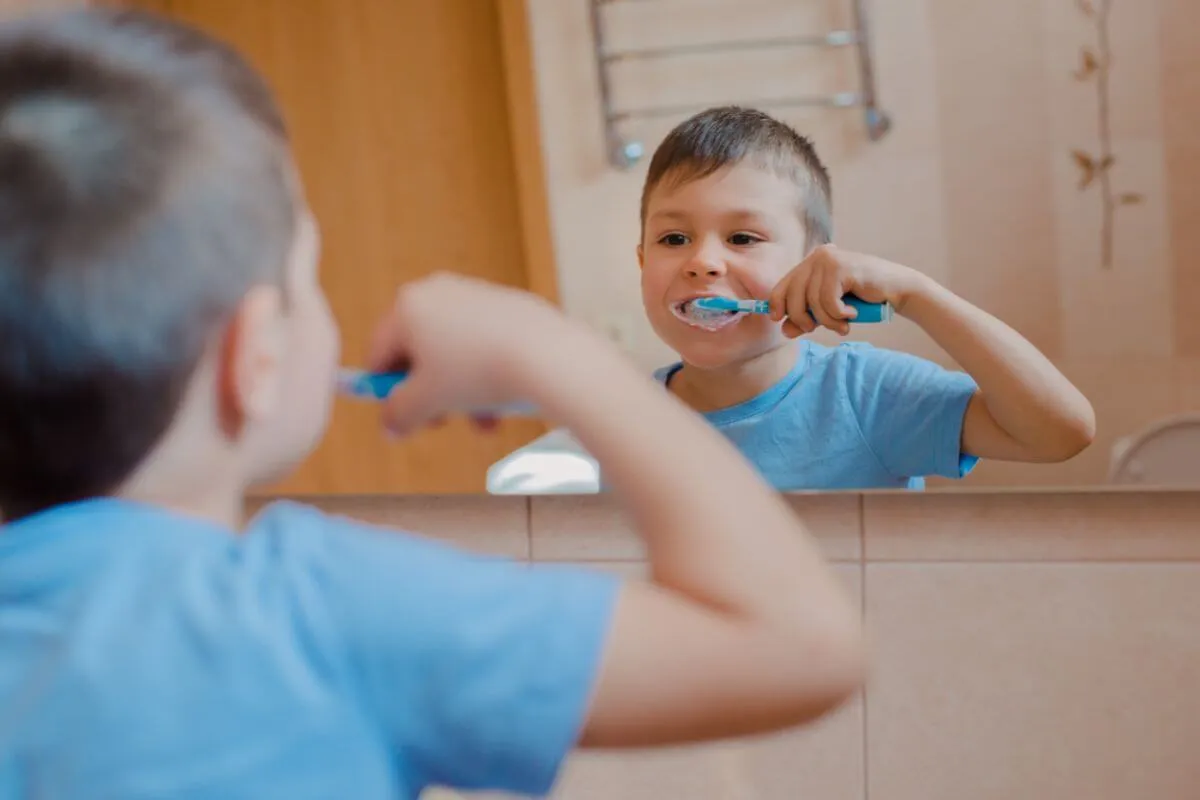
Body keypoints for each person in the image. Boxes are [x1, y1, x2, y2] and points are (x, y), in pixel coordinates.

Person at [0, 10, 864, 799]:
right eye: (309, 279)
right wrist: (555, 351)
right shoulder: (323, 613)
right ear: (253, 356)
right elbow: (804, 646)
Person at [627, 105, 1095, 490]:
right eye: (673, 239)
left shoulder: (867, 397)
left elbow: (1060, 433)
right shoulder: (619, 419)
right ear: (643, 261)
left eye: (743, 238)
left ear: (811, 266)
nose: (703, 262)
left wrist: (917, 294)